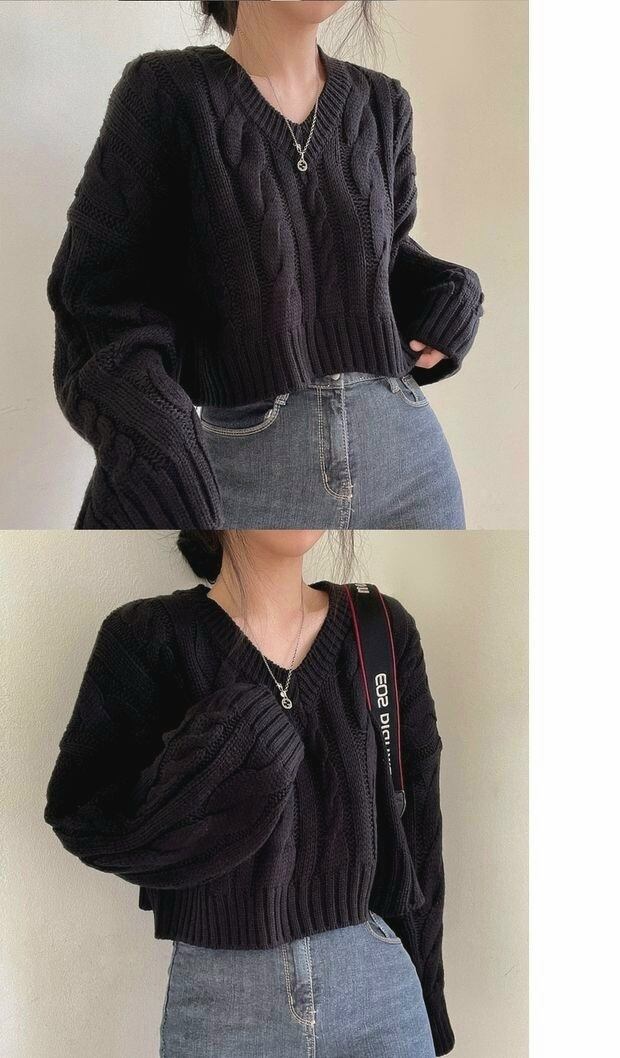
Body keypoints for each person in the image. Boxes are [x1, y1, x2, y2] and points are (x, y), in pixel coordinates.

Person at [47, 1, 484, 530]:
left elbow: (375, 256)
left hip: (408, 458)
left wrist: (449, 289)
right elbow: (96, 296)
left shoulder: (382, 102)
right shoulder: (168, 92)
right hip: (248, 463)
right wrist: (161, 438)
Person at [43, 529, 455, 1056]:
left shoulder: (379, 628)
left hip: (379, 996)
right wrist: (233, 746)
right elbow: (82, 815)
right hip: (223, 1008)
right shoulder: (147, 636)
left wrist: (429, 1004)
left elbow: (419, 833)